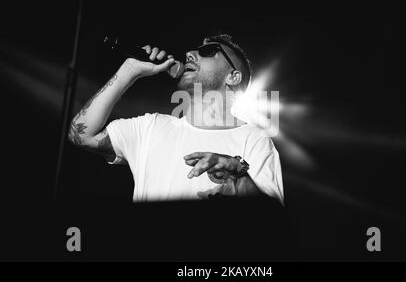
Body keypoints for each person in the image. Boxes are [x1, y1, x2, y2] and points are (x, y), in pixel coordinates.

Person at [68, 34, 284, 204]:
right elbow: (81, 135)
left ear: (233, 76)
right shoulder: (150, 126)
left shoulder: (254, 139)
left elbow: (272, 224)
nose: (190, 53)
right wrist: (130, 70)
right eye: (194, 50)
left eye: (208, 51)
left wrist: (238, 173)